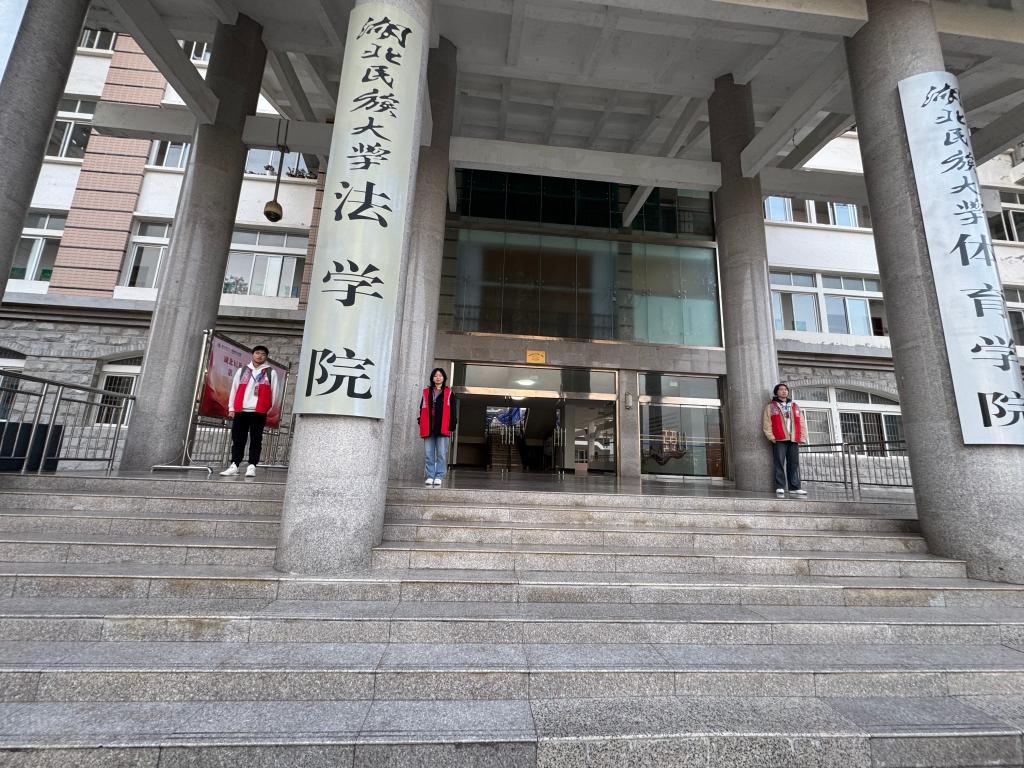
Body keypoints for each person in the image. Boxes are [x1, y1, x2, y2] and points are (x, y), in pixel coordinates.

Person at [220, 345, 280, 478]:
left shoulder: (270, 372)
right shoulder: (242, 370)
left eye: (263, 354)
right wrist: (231, 408)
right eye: (257, 353)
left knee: (256, 439)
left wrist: (267, 409)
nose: (260, 356)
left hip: (258, 411)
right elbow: (234, 389)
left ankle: (252, 466)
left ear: (266, 357)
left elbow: (275, 392)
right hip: (241, 410)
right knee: (238, 439)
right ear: (252, 354)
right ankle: (234, 465)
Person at [762, 382, 808, 496]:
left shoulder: (794, 406)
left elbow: (801, 422)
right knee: (779, 463)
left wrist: (803, 436)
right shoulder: (771, 406)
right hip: (779, 438)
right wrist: (770, 436)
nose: (784, 391)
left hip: (793, 438)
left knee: (794, 463)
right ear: (776, 392)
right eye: (781, 389)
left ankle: (795, 487)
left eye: (786, 389)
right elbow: (767, 423)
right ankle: (780, 486)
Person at [418, 368, 457, 486]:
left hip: (442, 427)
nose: (438, 377)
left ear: (444, 378)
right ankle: (430, 475)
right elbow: (422, 408)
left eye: (440, 375)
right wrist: (420, 421)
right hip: (429, 427)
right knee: (428, 453)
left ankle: (439, 475)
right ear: (432, 378)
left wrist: (452, 425)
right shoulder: (427, 392)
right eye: (435, 376)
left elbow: (453, 410)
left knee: (441, 453)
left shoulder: (449, 393)